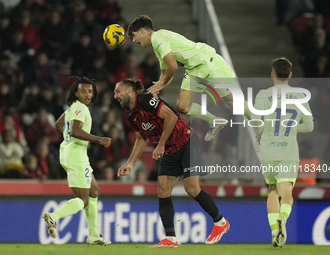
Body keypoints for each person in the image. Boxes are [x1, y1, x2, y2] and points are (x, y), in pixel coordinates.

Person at [114, 78, 230, 247]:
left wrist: (160, 144)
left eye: (118, 91)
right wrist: (130, 163)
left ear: (130, 91)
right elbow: (141, 139)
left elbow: (171, 117)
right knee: (162, 189)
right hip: (169, 150)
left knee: (191, 188)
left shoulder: (146, 100)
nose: (115, 95)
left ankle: (220, 222)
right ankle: (171, 238)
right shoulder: (130, 114)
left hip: (186, 142)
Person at [127, 15, 251, 141]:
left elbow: (173, 66)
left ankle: (255, 118)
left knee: (231, 102)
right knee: (182, 107)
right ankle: (214, 121)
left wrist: (162, 83)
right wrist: (159, 85)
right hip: (195, 69)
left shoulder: (158, 39)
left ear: (142, 31)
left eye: (134, 35)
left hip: (206, 63)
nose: (134, 40)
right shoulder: (157, 43)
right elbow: (165, 72)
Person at [252, 58, 314, 247]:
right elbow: (310, 126)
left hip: (269, 150)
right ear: (290, 75)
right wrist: (293, 128)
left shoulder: (263, 94)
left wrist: (259, 134)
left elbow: (256, 120)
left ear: (272, 74)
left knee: (272, 190)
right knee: (287, 191)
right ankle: (283, 218)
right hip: (288, 151)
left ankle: (274, 233)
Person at [42, 76, 112, 245]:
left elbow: (60, 124)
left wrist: (68, 139)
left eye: (90, 91)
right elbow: (75, 131)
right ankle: (54, 216)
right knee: (83, 200)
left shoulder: (73, 107)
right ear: (76, 93)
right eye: (83, 91)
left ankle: (94, 235)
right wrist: (98, 139)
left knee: (94, 191)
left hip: (71, 153)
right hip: (76, 156)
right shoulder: (80, 108)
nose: (87, 94)